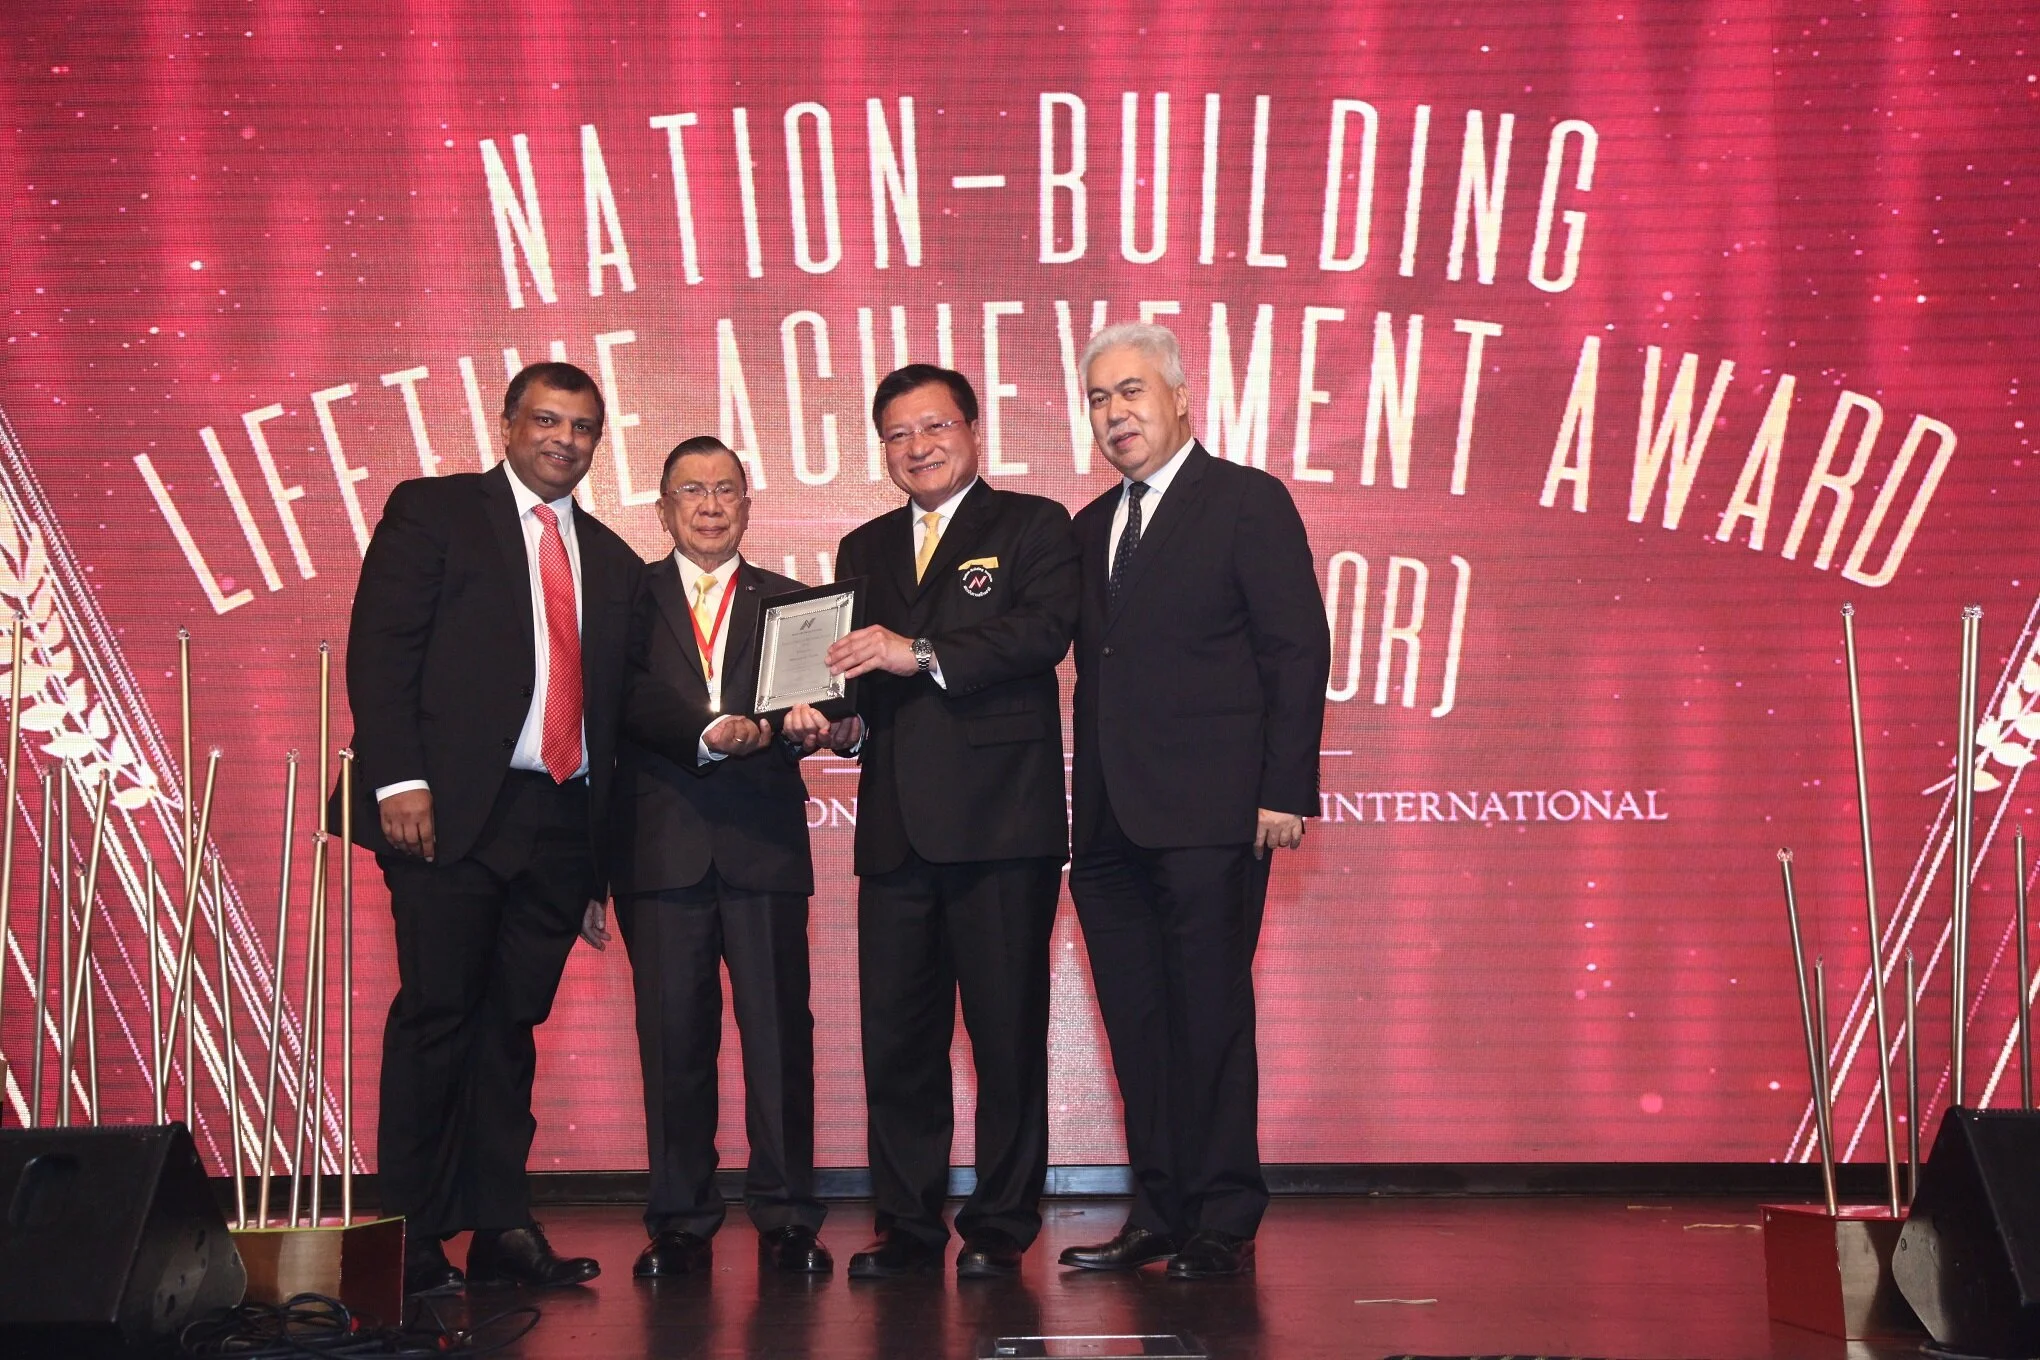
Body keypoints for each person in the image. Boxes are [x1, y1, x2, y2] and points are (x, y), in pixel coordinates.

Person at [343, 361, 662, 1297]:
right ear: (509, 424)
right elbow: (382, 649)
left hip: (560, 823)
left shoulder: (612, 560)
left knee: (512, 1027)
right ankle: (407, 1237)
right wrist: (400, 778)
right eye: (547, 421)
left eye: (583, 427)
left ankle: (500, 1227)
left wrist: (598, 869)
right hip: (444, 814)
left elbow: (617, 715)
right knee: (436, 1016)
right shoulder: (434, 511)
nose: (565, 439)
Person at [1059, 323, 1331, 1280]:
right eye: (1099, 399)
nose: (1115, 414)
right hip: (1107, 825)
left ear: (1180, 397)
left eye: (1131, 391)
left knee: (1208, 1015)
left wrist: (1284, 789)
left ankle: (1222, 1214)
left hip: (1214, 815)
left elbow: (1296, 648)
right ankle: (1159, 1212)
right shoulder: (1089, 527)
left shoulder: (1247, 501)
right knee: (1137, 1023)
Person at [807, 364, 1078, 1279]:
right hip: (894, 833)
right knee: (898, 1044)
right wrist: (839, 722)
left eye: (934, 427)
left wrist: (914, 649)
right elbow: (860, 681)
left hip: (1002, 828)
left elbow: (1041, 634)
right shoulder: (864, 544)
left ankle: (1000, 1229)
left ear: (972, 431)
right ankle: (908, 1227)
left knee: (1006, 1039)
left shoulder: (1033, 525)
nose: (917, 447)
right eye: (897, 434)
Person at [593, 436, 855, 1279]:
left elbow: (830, 709)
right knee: (673, 1040)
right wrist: (707, 734)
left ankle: (788, 1216)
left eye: (726, 490)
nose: (710, 506)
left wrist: (823, 724)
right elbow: (614, 704)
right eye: (691, 491)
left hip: (762, 848)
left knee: (779, 1036)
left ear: (748, 504)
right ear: (661, 507)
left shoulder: (795, 605)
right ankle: (679, 1220)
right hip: (657, 847)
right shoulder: (624, 601)